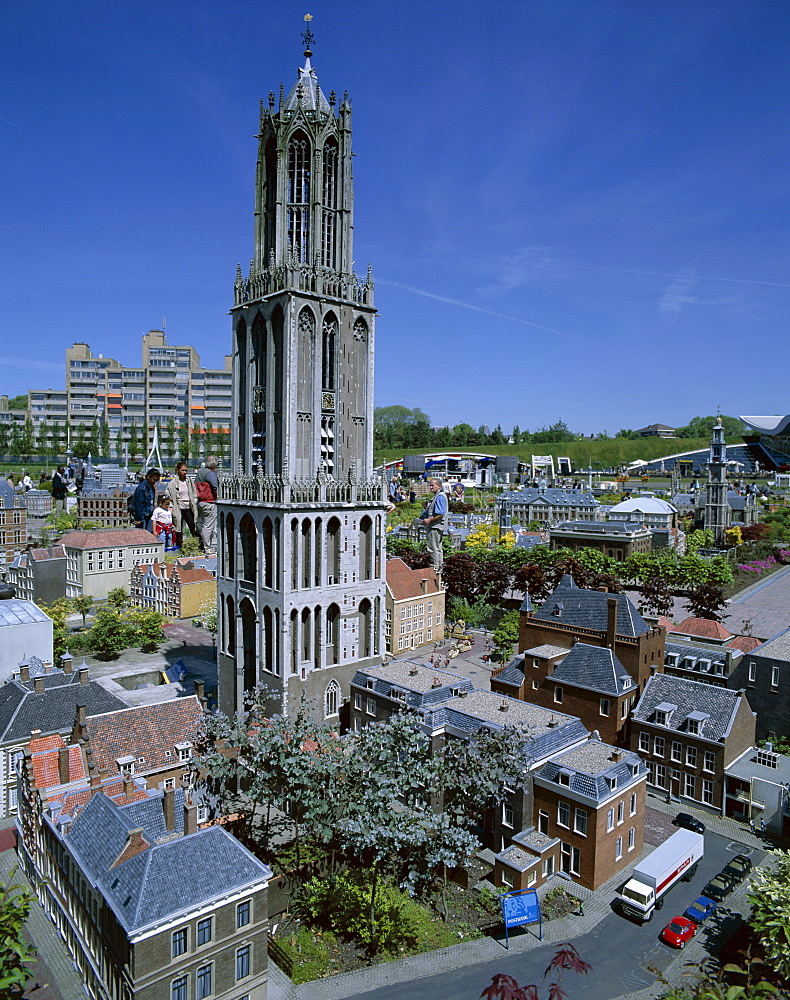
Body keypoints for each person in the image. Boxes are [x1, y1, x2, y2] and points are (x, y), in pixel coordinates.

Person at [165, 461, 198, 547]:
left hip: (189, 507)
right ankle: (179, 547)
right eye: (182, 470)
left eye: (186, 470)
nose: (184, 472)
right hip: (178, 508)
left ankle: (198, 546)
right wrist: (171, 506)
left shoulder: (189, 481)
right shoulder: (173, 483)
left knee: (193, 528)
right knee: (178, 530)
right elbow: (168, 495)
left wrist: (194, 500)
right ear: (177, 470)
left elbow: (194, 493)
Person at [418, 477, 448, 572]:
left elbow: (440, 513)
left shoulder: (439, 496)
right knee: (438, 548)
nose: (430, 487)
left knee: (432, 548)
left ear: (439, 486)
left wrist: (428, 520)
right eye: (430, 485)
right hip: (436, 526)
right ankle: (439, 569)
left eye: (432, 485)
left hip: (435, 526)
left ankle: (435, 570)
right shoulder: (439, 495)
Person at [195, 456, 219, 555]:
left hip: (200, 502)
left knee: (201, 525)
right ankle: (207, 547)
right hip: (209, 502)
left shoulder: (200, 472)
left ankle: (201, 544)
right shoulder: (210, 474)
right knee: (208, 526)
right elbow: (215, 487)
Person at [130, 467, 161, 533]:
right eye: (154, 480)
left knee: (149, 534)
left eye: (156, 480)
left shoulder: (151, 487)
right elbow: (139, 504)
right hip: (143, 516)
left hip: (149, 514)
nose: (155, 482)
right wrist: (140, 519)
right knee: (142, 535)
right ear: (148, 477)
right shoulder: (142, 488)